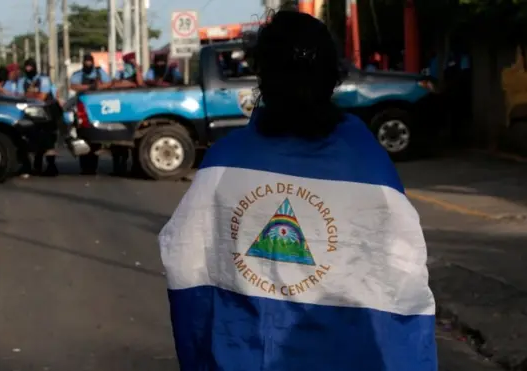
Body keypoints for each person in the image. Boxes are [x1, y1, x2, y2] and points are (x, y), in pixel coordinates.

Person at [158, 9, 436, 371]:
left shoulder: (224, 163)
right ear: (333, 77)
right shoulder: (367, 162)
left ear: (260, 75)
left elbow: (186, 260)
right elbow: (402, 273)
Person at [18, 58, 59, 176]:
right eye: (27, 67)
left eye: (30, 67)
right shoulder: (23, 81)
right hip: (32, 114)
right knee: (33, 140)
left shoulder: (43, 79)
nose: (28, 70)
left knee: (48, 142)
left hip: (48, 114)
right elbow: (20, 96)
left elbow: (42, 97)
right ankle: (36, 166)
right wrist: (34, 94)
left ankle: (51, 167)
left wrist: (30, 94)